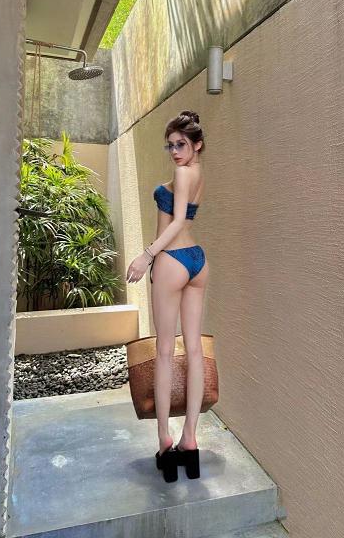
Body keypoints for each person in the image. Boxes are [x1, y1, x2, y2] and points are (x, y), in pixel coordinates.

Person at [126, 110, 209, 481]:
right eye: (170, 146)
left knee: (163, 351)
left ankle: (165, 440)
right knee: (194, 350)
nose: (175, 152)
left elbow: (175, 222)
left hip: (172, 259)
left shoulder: (182, 174)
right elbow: (185, 219)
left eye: (181, 145)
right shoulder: (198, 173)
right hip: (197, 261)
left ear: (197, 145)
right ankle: (190, 440)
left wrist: (147, 255)